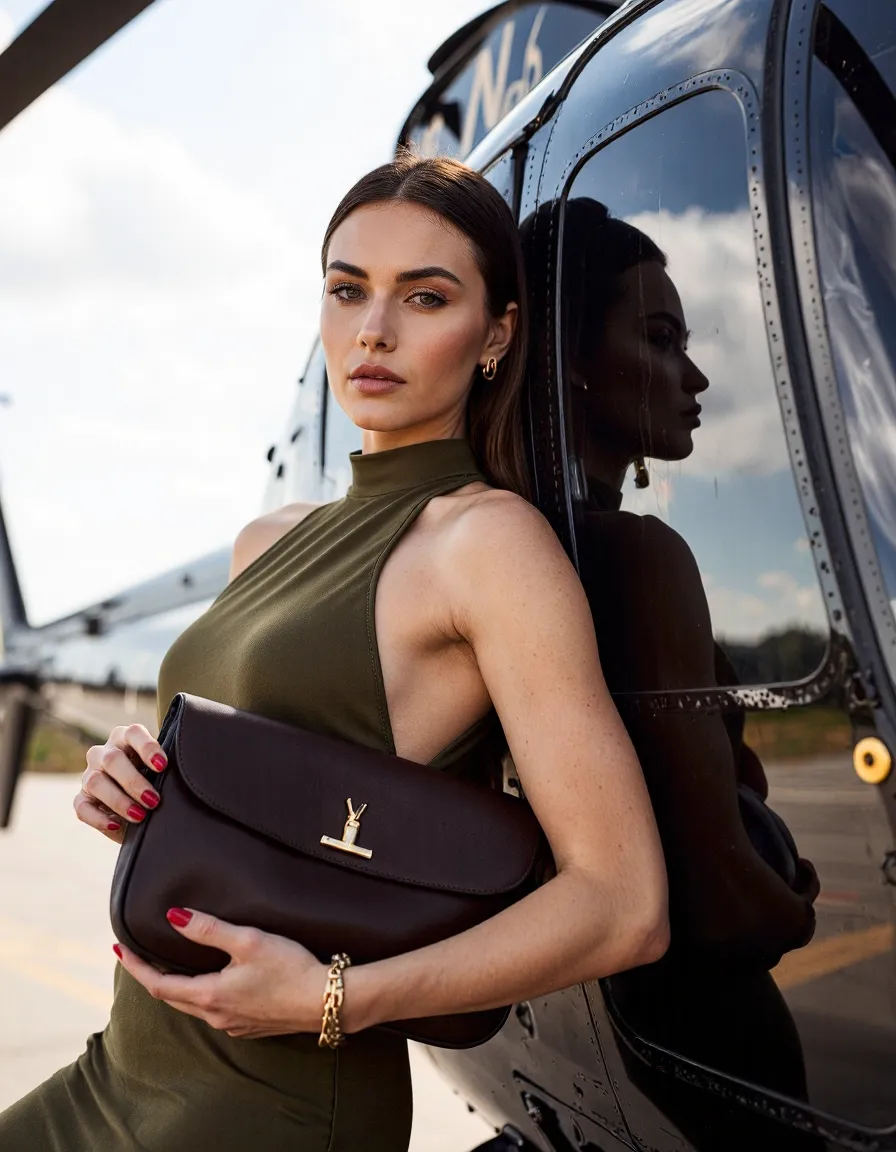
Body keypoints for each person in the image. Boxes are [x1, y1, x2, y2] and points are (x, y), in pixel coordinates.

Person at [0, 157, 669, 1152]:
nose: (373, 330)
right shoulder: (265, 541)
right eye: (347, 289)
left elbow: (621, 904)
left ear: (494, 336)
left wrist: (332, 999)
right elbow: (278, 809)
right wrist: (136, 793)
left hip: (268, 1110)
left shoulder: (484, 546)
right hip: (126, 1069)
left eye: (424, 297)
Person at [560, 198, 822, 1150]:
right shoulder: (639, 558)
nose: (696, 374)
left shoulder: (538, 554)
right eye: (661, 339)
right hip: (711, 1018)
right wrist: (791, 904)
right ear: (574, 359)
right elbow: (715, 900)